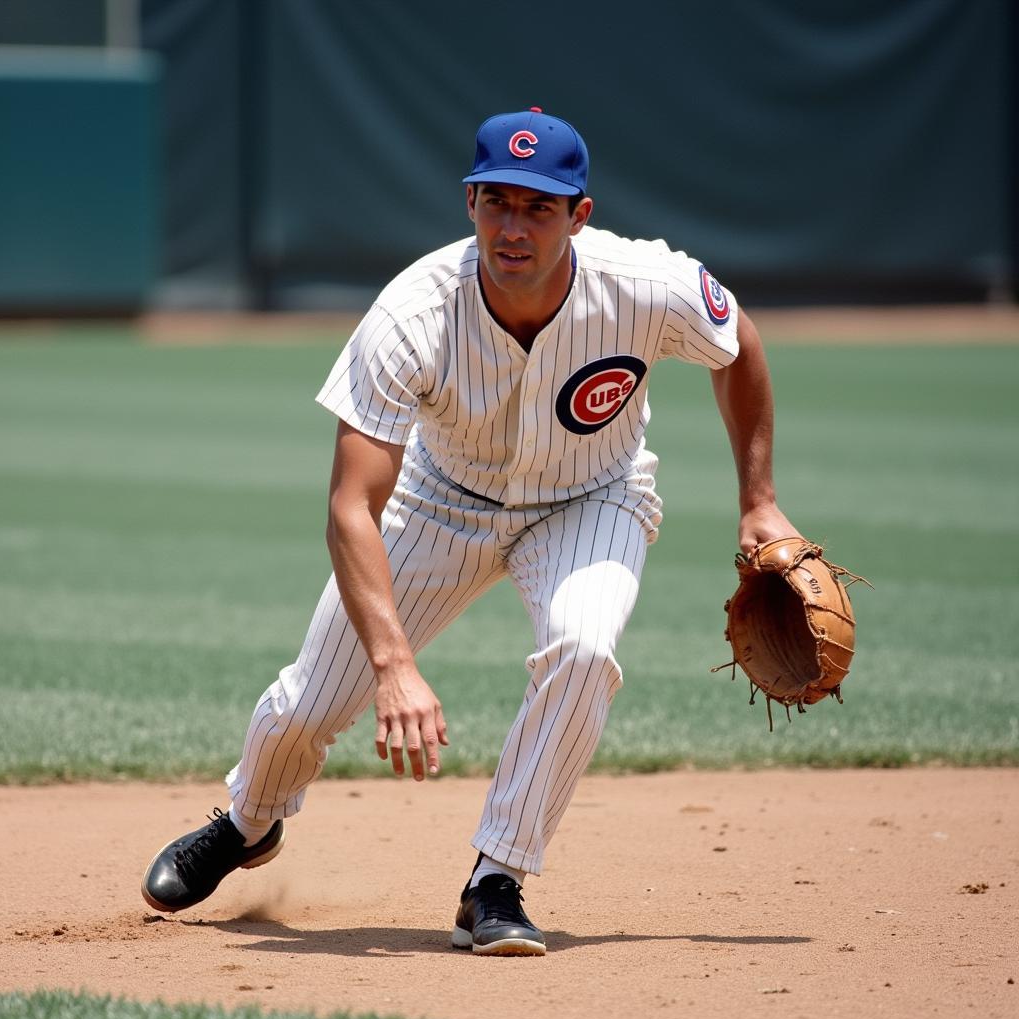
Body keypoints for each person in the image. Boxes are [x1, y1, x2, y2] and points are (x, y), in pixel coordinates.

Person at [141, 108, 798, 956]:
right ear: (470, 203)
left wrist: (759, 500)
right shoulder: (413, 311)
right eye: (497, 202)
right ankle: (247, 821)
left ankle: (498, 876)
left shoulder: (644, 287)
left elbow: (736, 339)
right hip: (439, 501)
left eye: (538, 207)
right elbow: (351, 505)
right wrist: (393, 665)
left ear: (580, 216)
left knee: (586, 647)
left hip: (590, 498)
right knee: (306, 707)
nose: (512, 227)